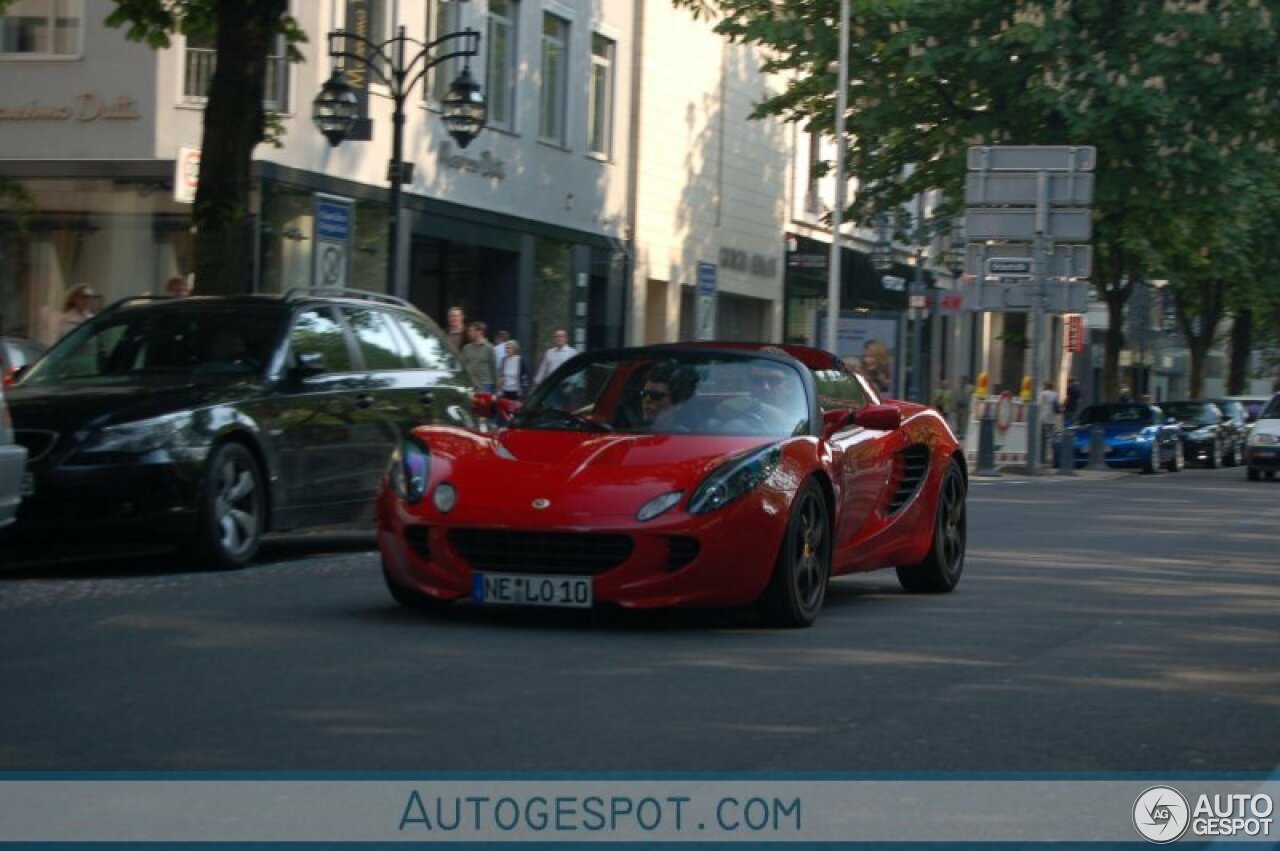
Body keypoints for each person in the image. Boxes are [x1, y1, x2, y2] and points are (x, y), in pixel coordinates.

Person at [639, 361, 698, 430]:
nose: (647, 399)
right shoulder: (630, 435)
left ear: (678, 404)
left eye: (656, 395)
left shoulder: (688, 438)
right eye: (644, 393)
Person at [461, 321, 497, 392]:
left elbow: (494, 368)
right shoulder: (466, 348)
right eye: (468, 331)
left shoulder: (489, 348)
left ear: (480, 332)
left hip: (485, 384)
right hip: (469, 384)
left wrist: (497, 386)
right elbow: (463, 366)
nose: (469, 333)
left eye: (471, 331)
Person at [955, 375, 974, 439]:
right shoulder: (959, 387)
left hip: (966, 407)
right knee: (959, 421)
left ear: (966, 380)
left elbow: (972, 397)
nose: (962, 381)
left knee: (964, 421)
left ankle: (963, 434)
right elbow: (957, 396)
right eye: (961, 380)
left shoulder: (970, 388)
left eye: (963, 380)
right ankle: (960, 433)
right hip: (959, 407)